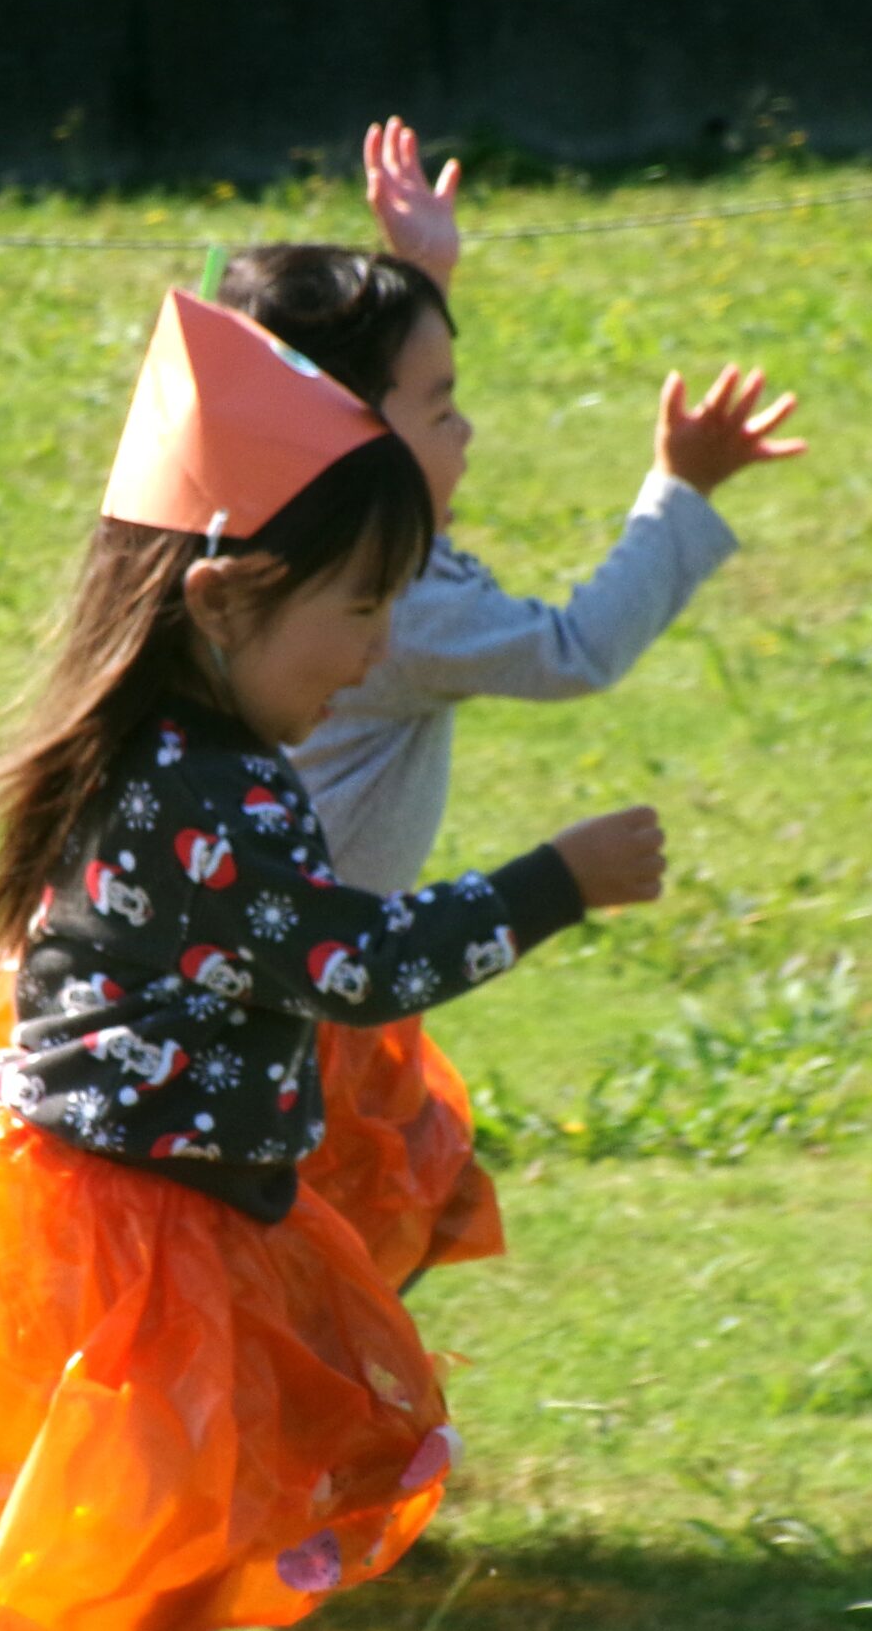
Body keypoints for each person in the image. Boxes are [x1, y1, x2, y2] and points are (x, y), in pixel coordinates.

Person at [0, 290, 665, 1631]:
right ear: (227, 602)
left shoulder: (186, 751)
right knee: (130, 1486)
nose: (376, 651)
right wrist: (550, 883)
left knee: (191, 1466)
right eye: (356, 612)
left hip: (190, 1186)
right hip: (133, 1207)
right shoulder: (206, 791)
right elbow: (355, 968)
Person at [233, 115, 807, 1289]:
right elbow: (575, 650)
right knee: (310, 1274)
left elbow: (345, 408)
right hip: (307, 994)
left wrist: (418, 278)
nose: (468, 429)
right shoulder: (397, 604)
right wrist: (680, 490)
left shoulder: (251, 522)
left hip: (266, 967)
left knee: (343, 1252)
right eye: (441, 406)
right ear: (357, 437)